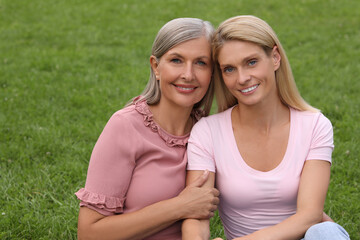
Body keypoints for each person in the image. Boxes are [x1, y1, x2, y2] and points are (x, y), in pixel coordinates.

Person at [182, 15, 350, 240]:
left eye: (251, 62)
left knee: (325, 231)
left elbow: (310, 215)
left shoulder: (314, 125)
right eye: (229, 69)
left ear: (275, 58)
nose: (242, 78)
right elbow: (196, 214)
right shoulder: (208, 132)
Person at [75, 17, 220, 240]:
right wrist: (180, 206)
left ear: (212, 73)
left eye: (201, 62)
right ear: (156, 66)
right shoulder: (125, 126)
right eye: (176, 60)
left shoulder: (207, 130)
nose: (188, 74)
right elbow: (89, 233)